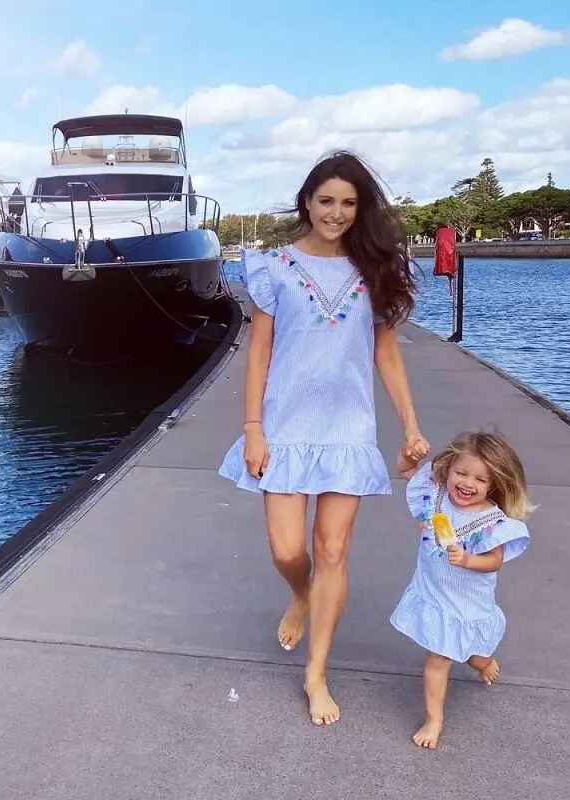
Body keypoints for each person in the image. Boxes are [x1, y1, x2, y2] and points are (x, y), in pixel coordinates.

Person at [218, 150, 430, 726]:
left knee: (333, 550)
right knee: (288, 550)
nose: (336, 212)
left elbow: (386, 354)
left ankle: (316, 675)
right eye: (327, 200)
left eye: (348, 203)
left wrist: (410, 425)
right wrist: (253, 429)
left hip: (347, 428)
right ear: (307, 202)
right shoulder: (275, 267)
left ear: (360, 209)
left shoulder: (372, 271)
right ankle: (304, 593)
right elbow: (259, 352)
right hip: (284, 427)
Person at [390, 430, 535, 749]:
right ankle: (434, 719)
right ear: (449, 468)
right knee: (438, 658)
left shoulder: (492, 521)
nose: (468, 483)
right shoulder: (436, 496)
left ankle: (485, 662)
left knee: (474, 656)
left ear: (493, 484)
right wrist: (408, 455)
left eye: (480, 479)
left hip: (468, 604)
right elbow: (405, 471)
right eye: (461, 473)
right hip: (434, 593)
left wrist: (469, 559)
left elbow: (495, 561)